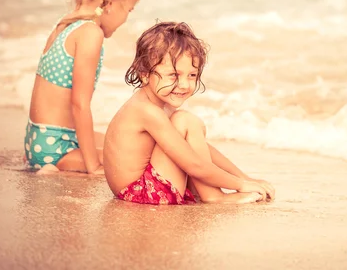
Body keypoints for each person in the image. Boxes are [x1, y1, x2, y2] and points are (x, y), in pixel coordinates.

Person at [103, 21, 275, 204]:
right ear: (144, 73)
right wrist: (239, 184)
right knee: (186, 121)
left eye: (192, 75)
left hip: (136, 190)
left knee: (186, 126)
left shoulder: (154, 103)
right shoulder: (147, 111)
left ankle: (211, 192)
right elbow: (194, 164)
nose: (185, 85)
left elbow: (196, 150)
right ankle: (214, 196)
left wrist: (244, 178)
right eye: (174, 75)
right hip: (142, 193)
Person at [24, 0, 143, 175]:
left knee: (121, 140)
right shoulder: (90, 33)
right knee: (136, 155)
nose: (127, 18)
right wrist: (93, 166)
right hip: (57, 149)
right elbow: (79, 104)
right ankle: (54, 168)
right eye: (129, 10)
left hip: (42, 140)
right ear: (113, 1)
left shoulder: (66, 24)